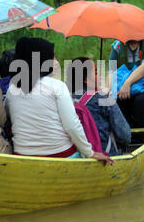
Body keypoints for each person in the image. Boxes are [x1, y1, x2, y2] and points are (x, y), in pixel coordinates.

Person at [6, 37, 113, 165]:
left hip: (23, 157)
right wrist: (90, 152)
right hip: (60, 156)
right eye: (53, 57)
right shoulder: (57, 86)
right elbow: (72, 126)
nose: (56, 62)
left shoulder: (11, 90)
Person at [67, 57, 131, 156]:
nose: (100, 76)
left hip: (80, 155)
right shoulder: (104, 99)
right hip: (106, 155)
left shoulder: (67, 100)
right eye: (96, 73)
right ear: (86, 80)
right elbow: (124, 135)